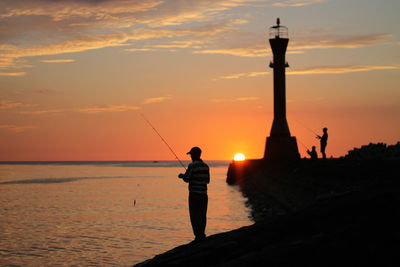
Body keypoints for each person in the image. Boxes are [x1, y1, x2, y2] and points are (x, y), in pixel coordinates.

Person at [178, 146, 210, 242]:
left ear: (194, 155)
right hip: (204, 195)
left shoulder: (192, 165)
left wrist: (182, 176)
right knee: (202, 215)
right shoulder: (206, 166)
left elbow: (187, 179)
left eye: (191, 154)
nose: (190, 156)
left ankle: (197, 236)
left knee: (194, 215)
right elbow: (207, 181)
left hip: (194, 195)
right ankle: (202, 234)